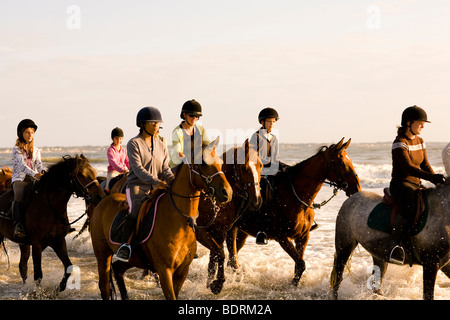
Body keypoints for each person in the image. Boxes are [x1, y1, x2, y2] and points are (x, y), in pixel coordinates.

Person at [115, 106, 175, 262]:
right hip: (137, 186)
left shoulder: (161, 144)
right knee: (135, 211)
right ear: (142, 124)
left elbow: (165, 168)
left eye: (158, 123)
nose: (157, 126)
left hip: (158, 186)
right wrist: (155, 181)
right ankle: (125, 246)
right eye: (153, 123)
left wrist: (173, 181)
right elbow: (138, 169)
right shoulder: (133, 143)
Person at [389, 105, 446, 264]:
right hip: (401, 185)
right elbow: (408, 167)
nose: (422, 126)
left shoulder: (420, 141)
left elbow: (425, 165)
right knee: (411, 208)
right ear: (408, 123)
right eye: (420, 123)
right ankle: (396, 246)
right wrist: (431, 177)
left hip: (416, 183)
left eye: (423, 123)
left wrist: (436, 178)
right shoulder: (399, 142)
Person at [249, 107, 288, 245]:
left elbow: (275, 159)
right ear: (262, 122)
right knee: (264, 194)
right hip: (260, 172)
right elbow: (254, 158)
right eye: (269, 121)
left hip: (272, 169)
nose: (272, 124)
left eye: (274, 122)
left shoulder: (274, 138)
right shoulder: (256, 137)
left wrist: (285, 167)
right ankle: (260, 231)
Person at [11, 119, 46, 237]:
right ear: (22, 134)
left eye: (32, 132)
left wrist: (42, 172)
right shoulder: (17, 149)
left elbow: (39, 164)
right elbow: (22, 165)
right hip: (19, 179)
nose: (30, 135)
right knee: (19, 193)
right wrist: (34, 174)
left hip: (32, 178)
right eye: (27, 132)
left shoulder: (36, 150)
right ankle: (17, 225)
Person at [169, 99, 210, 169]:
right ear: (184, 115)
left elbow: (208, 146)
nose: (194, 119)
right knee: (171, 178)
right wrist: (188, 159)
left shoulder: (201, 130)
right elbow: (178, 152)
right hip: (180, 164)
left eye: (197, 116)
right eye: (191, 115)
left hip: (197, 164)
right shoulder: (177, 131)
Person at [105, 127, 129, 193]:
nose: (118, 141)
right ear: (113, 138)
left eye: (120, 138)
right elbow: (113, 163)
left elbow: (128, 162)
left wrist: (132, 169)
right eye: (116, 138)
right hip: (113, 172)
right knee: (108, 188)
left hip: (124, 171)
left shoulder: (124, 150)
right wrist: (122, 170)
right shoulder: (110, 150)